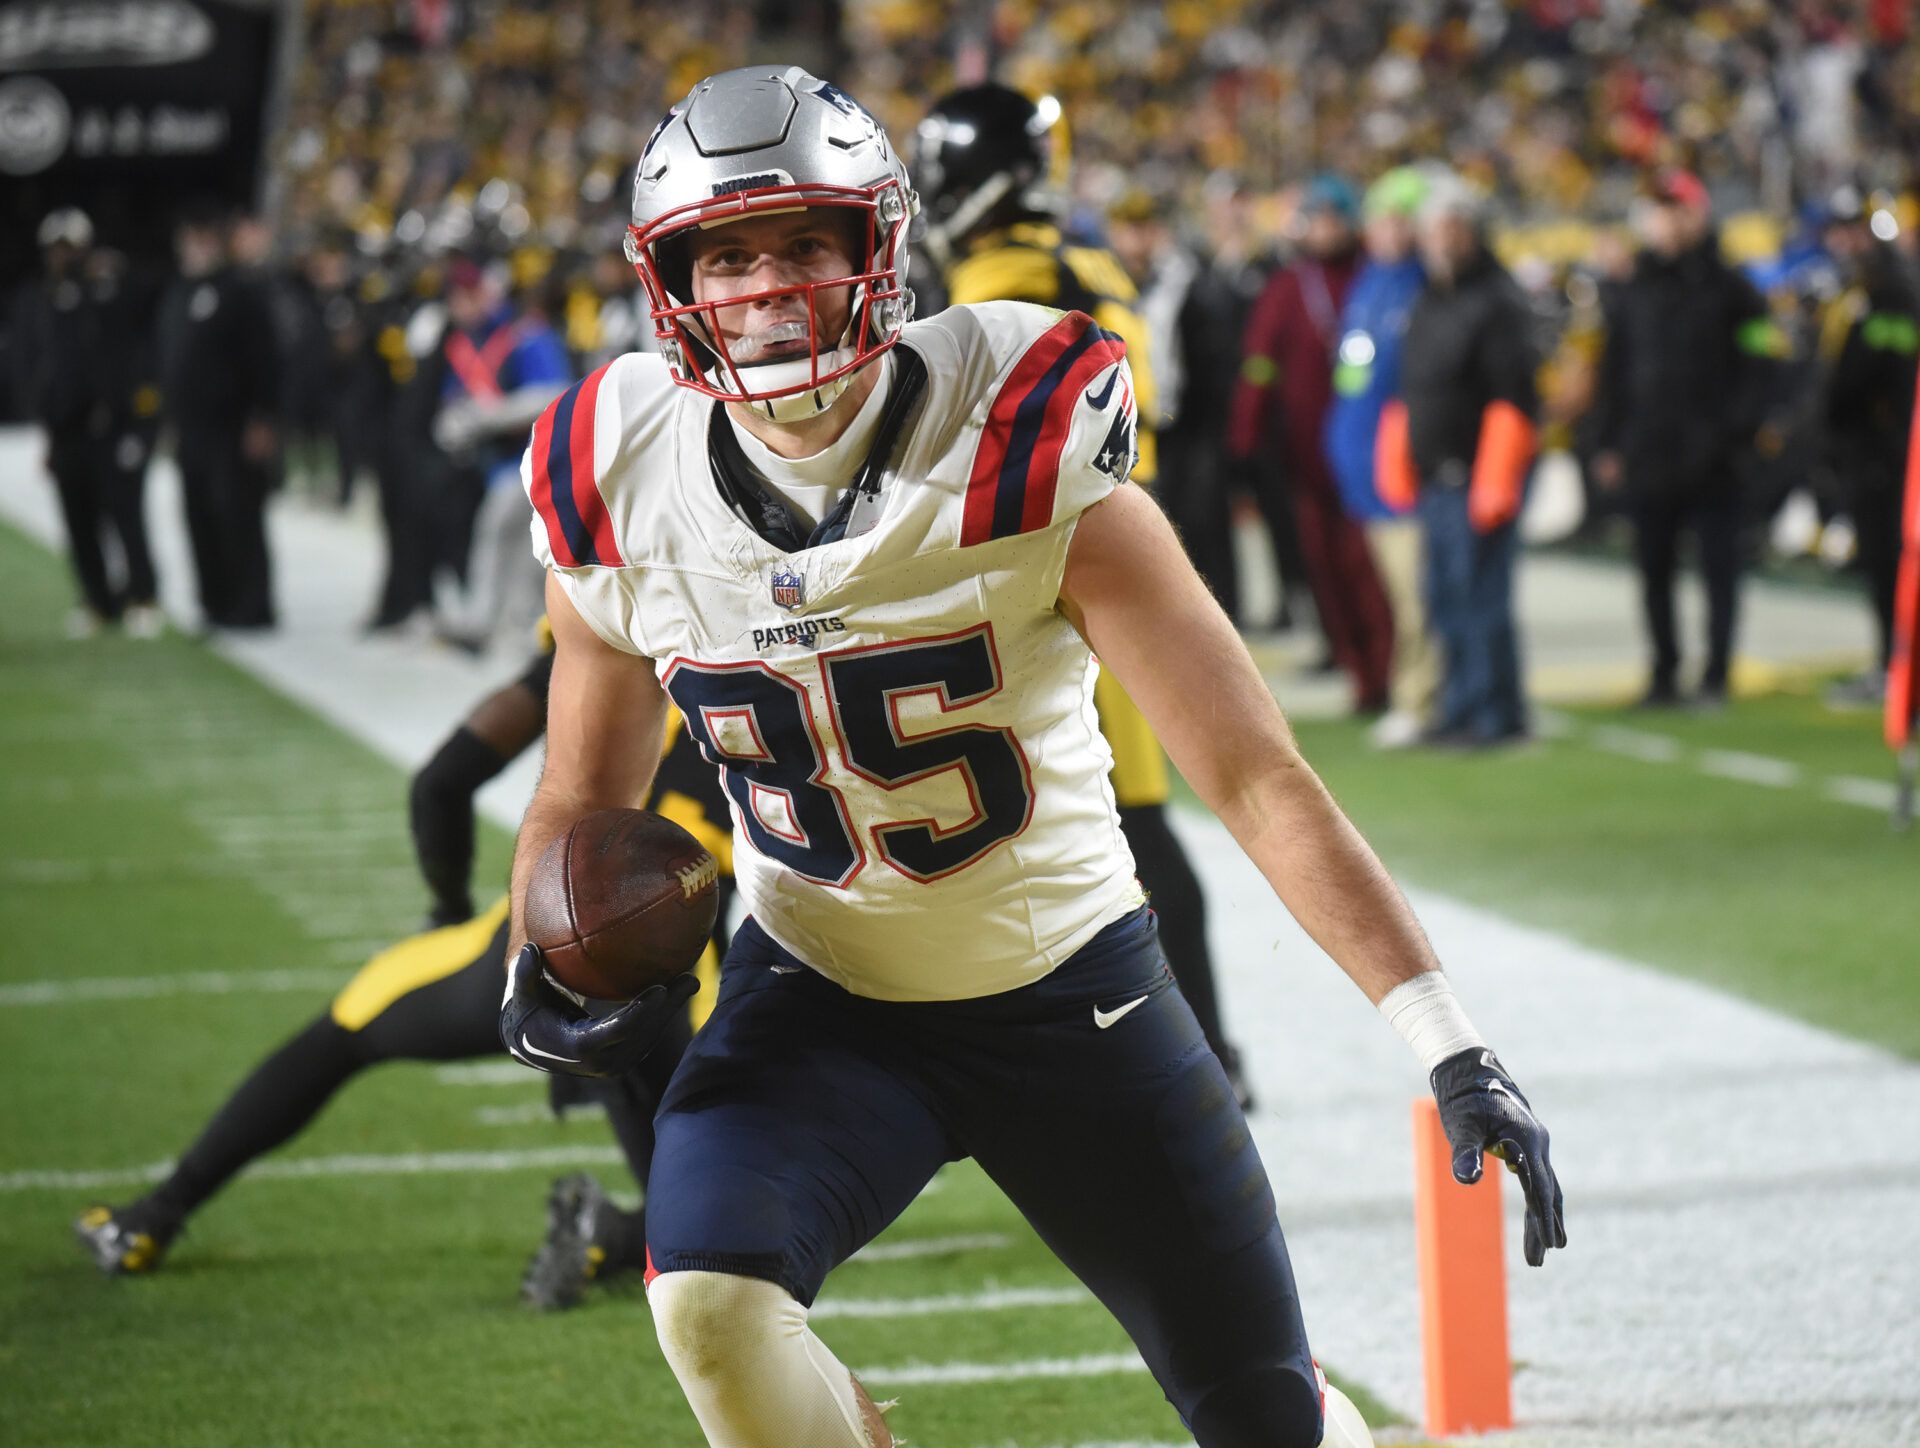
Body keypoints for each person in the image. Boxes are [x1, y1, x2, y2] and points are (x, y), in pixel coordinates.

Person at [501, 67, 1564, 1448]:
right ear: (670, 280)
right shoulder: (618, 463)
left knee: (1266, 1425)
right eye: (729, 253)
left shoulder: (1017, 428)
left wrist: (1448, 1037)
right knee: (706, 1302)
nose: (768, 288)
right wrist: (545, 941)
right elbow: (578, 800)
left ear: (877, 255)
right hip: (821, 994)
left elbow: (1254, 777)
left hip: (1075, 1001)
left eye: (806, 245)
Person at [74, 635, 734, 1314]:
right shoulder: (792, 658)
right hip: (684, 979)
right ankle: (618, 1230)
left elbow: (441, 783)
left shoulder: (616, 628)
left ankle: (154, 1215)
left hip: (542, 947)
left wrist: (446, 909)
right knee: (716, 1238)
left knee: (349, 1028)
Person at [909, 82, 1247, 1103]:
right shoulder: (1069, 261)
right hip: (1089, 563)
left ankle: (1184, 1058)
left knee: (1079, 826)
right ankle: (1205, 1050)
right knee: (1123, 823)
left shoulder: (1017, 274)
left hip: (1048, 574)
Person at [1588, 169, 1782, 707]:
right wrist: (1607, 441)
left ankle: (1717, 673)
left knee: (1719, 572)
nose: (1666, 222)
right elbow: (1615, 370)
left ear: (1697, 215)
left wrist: (1731, 434)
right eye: (1657, 211)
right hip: (1650, 452)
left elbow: (1762, 367)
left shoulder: (1735, 288)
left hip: (1716, 458)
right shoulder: (1632, 289)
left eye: (1676, 210)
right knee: (1654, 572)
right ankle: (1664, 674)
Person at [1377, 175, 1540, 750]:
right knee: (1446, 596)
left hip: (1477, 473)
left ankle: (1496, 715)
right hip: (1436, 474)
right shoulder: (1429, 297)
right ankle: (1462, 708)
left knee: (1482, 597)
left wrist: (1497, 475)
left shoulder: (1497, 300)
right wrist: (1401, 450)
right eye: (1433, 229)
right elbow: (1415, 384)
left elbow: (1515, 397)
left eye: (1451, 228)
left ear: (1473, 232)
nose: (1440, 240)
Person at [1230, 176, 1395, 714]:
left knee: (1373, 572)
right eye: (1315, 219)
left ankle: (1388, 672)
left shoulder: (1376, 279)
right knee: (1324, 569)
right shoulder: (1288, 286)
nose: (1324, 230)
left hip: (1370, 456)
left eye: (1333, 219)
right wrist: (1246, 435)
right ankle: (1360, 675)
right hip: (1305, 460)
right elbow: (1259, 362)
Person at [1324, 167, 1440, 750]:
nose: (1388, 230)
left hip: (1402, 472)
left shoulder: (1425, 287)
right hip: (1364, 469)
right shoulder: (1371, 284)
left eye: (1401, 219)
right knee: (1397, 597)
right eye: (1381, 219)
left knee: (1418, 599)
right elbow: (1354, 381)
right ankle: (1411, 696)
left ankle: (1421, 702)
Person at [11, 208, 163, 638]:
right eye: (56, 249)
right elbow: (31, 359)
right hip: (65, 429)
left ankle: (142, 595)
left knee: (125, 516)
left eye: (70, 248)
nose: (62, 256)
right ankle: (97, 600)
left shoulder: (108, 290)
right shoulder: (38, 297)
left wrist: (138, 420)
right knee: (78, 521)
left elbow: (139, 327)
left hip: (109, 425)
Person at [155, 202, 281, 631]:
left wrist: (264, 417)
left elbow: (265, 359)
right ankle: (215, 602)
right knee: (199, 515)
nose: (198, 246)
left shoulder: (240, 291)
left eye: (206, 237)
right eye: (192, 237)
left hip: (234, 426)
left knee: (238, 515)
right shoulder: (179, 292)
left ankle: (252, 605)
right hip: (191, 429)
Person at [1816, 187, 1920, 706]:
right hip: (1877, 453)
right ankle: (1891, 662)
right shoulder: (1866, 290)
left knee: (1894, 567)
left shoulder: (1892, 292)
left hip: (1892, 457)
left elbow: (1879, 376)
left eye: (1853, 229)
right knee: (1884, 567)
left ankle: (1898, 668)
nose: (1844, 241)